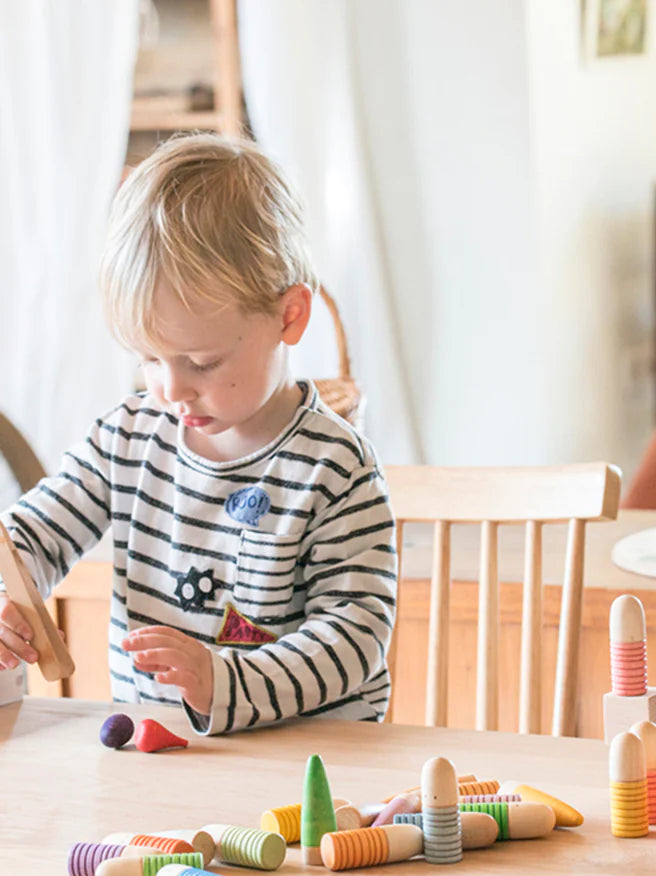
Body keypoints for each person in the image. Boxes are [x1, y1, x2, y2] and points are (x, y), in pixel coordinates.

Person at [0, 133, 396, 734]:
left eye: (202, 362)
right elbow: (30, 535)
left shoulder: (335, 466)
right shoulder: (127, 438)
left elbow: (355, 637)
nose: (171, 390)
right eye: (148, 360)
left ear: (289, 317)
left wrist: (224, 682)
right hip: (159, 754)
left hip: (313, 767)